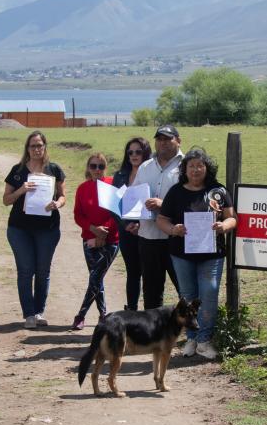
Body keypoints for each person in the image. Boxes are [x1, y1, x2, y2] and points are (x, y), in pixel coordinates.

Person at [156, 147, 237, 360]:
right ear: (185, 169)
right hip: (181, 255)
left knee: (209, 294)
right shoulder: (175, 192)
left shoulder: (217, 191)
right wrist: (173, 230)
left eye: (200, 166)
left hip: (212, 255)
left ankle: (204, 340)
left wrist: (224, 226)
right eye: (191, 166)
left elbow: (232, 218)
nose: (196, 170)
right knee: (188, 297)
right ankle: (191, 338)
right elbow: (161, 220)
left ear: (206, 168)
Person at [2, 130, 66, 329]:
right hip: (19, 229)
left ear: (45, 147)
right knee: (25, 270)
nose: (37, 149)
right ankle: (29, 314)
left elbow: (63, 196)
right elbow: (6, 200)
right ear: (27, 149)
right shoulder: (18, 170)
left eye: (40, 145)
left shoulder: (54, 170)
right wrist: (21, 189)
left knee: (42, 270)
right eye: (33, 146)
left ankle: (39, 312)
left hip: (48, 229)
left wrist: (57, 204)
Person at [135, 125, 184, 309]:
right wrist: (133, 217)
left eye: (167, 139)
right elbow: (136, 196)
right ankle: (153, 335)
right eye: (159, 139)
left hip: (177, 237)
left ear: (178, 140)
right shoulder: (145, 167)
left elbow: (192, 200)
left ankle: (193, 332)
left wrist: (163, 204)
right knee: (152, 291)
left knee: (185, 289)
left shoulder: (188, 166)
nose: (162, 143)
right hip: (149, 237)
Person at [72, 153, 120, 330]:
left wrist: (103, 233)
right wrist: (93, 230)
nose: (97, 170)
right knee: (96, 278)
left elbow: (117, 213)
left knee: (95, 277)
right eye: (93, 166)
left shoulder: (112, 184)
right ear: (88, 168)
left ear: (105, 168)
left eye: (101, 166)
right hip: (89, 239)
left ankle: (80, 315)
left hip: (111, 239)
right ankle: (103, 315)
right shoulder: (82, 188)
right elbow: (78, 215)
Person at [111, 136, 152, 311]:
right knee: (133, 273)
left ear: (145, 153)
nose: (134, 155)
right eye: (130, 152)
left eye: (138, 151)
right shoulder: (120, 176)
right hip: (127, 231)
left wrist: (141, 225)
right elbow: (114, 205)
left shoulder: (152, 173)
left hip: (148, 230)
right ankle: (132, 311)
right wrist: (125, 224)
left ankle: (151, 312)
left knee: (150, 274)